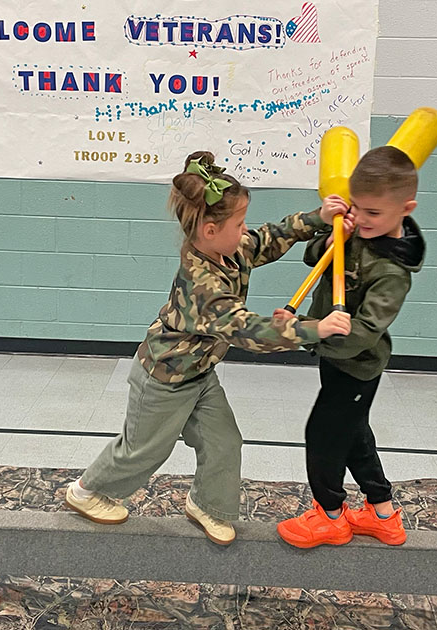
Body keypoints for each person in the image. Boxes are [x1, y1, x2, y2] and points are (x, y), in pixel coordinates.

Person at [65, 151, 352, 545]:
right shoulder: (203, 284)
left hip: (198, 373)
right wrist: (314, 329)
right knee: (142, 451)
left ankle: (207, 505)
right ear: (211, 229)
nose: (246, 230)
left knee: (223, 441)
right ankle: (85, 492)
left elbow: (268, 238)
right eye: (239, 223)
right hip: (164, 378)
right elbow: (247, 330)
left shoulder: (227, 249)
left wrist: (318, 218)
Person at [274, 146, 425, 548]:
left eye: (373, 212)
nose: (361, 218)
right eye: (357, 207)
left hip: (357, 363)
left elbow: (364, 332)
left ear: (406, 209)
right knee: (353, 434)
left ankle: (330, 516)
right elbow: (314, 258)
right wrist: (331, 238)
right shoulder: (358, 229)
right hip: (333, 356)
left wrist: (305, 331)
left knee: (324, 435)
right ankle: (383, 514)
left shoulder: (393, 272)